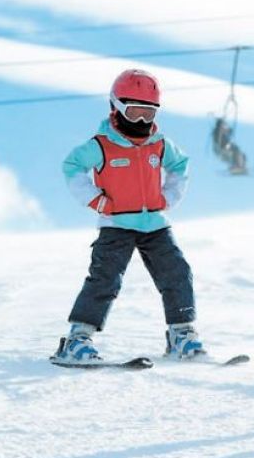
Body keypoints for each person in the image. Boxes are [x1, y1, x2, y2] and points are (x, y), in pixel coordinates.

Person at [53, 69, 204, 362]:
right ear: (116, 107)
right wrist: (96, 201)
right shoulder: (101, 145)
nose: (141, 122)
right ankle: (77, 339)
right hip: (116, 223)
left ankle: (181, 335)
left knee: (177, 272)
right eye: (134, 112)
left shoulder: (159, 144)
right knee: (105, 279)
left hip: (155, 224)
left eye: (148, 114)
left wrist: (169, 196)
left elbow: (181, 165)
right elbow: (71, 166)